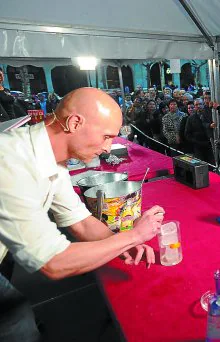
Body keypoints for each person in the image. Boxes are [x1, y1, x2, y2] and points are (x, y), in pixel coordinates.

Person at [0, 88, 165, 341]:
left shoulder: (52, 157)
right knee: (18, 325)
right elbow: (53, 263)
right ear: (75, 122)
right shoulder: (10, 159)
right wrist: (132, 236)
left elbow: (80, 223)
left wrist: (119, 243)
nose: (109, 148)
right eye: (106, 136)